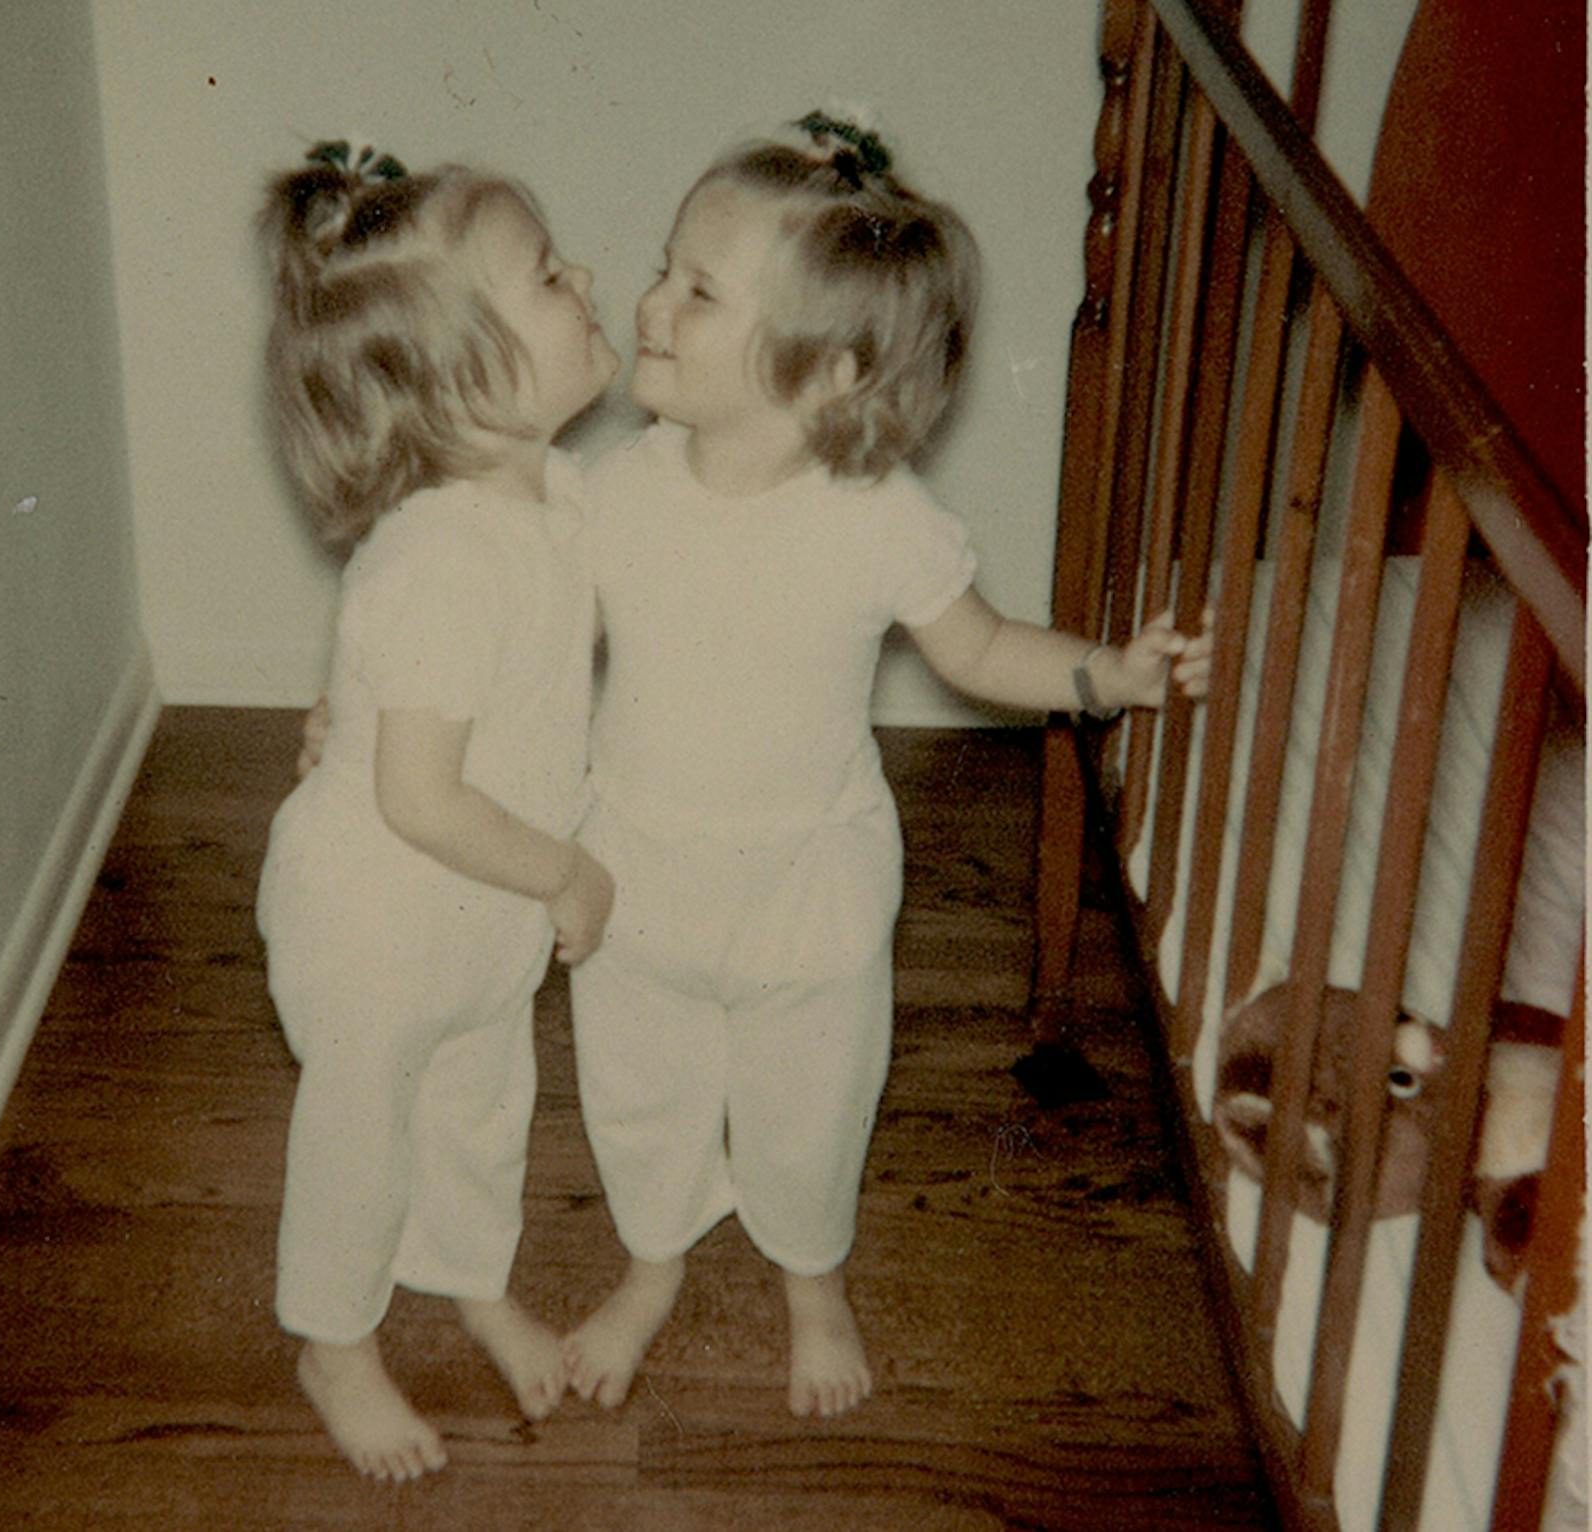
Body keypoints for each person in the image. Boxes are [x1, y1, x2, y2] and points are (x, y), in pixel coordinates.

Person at [557, 112, 1212, 1420]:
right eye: (664, 268)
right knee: (638, 1089)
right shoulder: (607, 493)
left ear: (829, 371)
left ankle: (813, 1278)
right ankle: (650, 1261)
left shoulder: (878, 521)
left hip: (807, 884)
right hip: (634, 868)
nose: (648, 304)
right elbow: (523, 646)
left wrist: (1106, 675)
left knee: (810, 1104)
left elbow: (979, 649)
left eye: (699, 290)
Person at [252, 139, 621, 1482]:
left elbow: (427, 675)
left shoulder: (552, 495)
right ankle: (332, 1345)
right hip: (378, 913)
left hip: (475, 906)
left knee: (479, 1099)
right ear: (458, 373)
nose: (584, 278)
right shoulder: (442, 553)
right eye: (544, 274)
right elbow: (417, 795)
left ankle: (466, 1280)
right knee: (364, 1121)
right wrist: (568, 874)